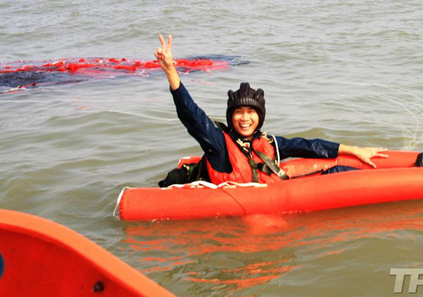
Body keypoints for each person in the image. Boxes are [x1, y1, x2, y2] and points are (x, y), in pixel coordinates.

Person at [154, 34, 388, 185]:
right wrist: (171, 73)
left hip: (276, 187)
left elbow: (306, 146)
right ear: (231, 117)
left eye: (251, 112)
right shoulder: (218, 144)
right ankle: (388, 182)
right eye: (239, 112)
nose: (245, 118)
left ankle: (394, 175)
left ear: (260, 117)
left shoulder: (266, 142)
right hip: (245, 201)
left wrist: (354, 150)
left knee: (338, 170)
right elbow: (191, 115)